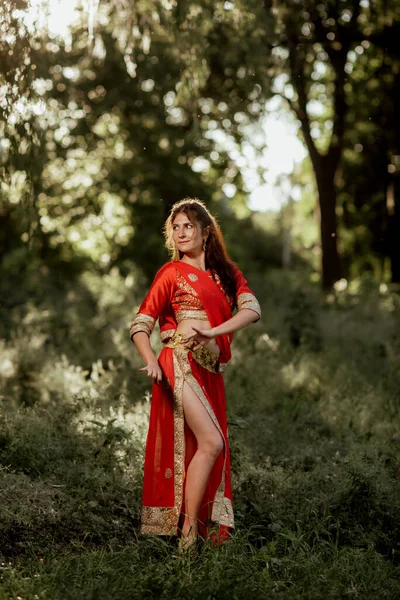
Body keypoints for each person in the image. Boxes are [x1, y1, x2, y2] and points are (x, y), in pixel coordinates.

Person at [130, 198, 261, 551]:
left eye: (189, 225)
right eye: (176, 227)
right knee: (212, 442)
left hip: (211, 371)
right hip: (180, 361)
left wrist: (213, 332)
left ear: (206, 232)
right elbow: (141, 324)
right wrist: (152, 360)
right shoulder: (170, 273)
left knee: (205, 446)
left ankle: (194, 529)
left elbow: (252, 309)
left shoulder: (227, 274)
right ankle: (188, 532)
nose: (181, 232)